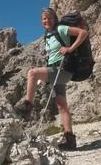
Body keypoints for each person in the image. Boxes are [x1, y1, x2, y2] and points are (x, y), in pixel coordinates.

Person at [14, 8, 88, 151]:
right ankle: (70, 140)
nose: (46, 21)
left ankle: (27, 106)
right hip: (55, 70)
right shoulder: (47, 35)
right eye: (43, 19)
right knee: (62, 106)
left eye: (48, 18)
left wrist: (70, 48)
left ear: (54, 19)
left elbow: (83, 33)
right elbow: (53, 57)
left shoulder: (61, 29)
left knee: (32, 73)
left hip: (64, 70)